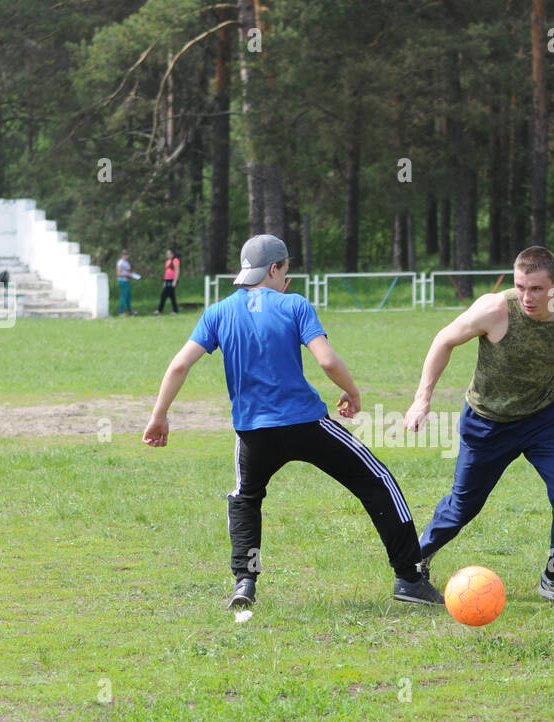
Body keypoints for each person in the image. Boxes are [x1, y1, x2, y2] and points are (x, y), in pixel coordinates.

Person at [143, 234, 444, 610]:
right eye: (285, 270)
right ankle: (410, 578)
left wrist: (159, 416)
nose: (286, 279)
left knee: (246, 498)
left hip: (253, 433)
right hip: (306, 426)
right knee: (376, 480)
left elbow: (179, 364)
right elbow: (328, 361)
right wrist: (353, 392)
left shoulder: (217, 312)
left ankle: (244, 581)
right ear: (274, 269)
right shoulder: (295, 305)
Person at [404, 246, 554, 608]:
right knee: (463, 506)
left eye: (536, 288)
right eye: (520, 286)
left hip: (542, 419)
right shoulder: (494, 309)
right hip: (487, 421)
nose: (527, 297)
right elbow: (444, 340)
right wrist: (422, 399)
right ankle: (414, 559)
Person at [155, 248, 180, 314]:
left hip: (172, 281)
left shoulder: (175, 260)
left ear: (172, 254)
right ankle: (175, 310)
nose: (168, 255)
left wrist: (175, 281)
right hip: (167, 280)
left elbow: (177, 271)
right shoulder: (168, 261)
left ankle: (159, 310)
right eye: (167, 254)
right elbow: (167, 272)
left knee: (163, 295)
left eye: (169, 254)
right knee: (172, 296)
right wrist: (164, 281)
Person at [116, 250, 136, 315]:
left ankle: (130, 310)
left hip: (127, 281)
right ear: (122, 255)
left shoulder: (127, 262)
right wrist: (127, 275)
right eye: (124, 255)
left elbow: (128, 271)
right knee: (123, 296)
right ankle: (121, 311)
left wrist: (131, 275)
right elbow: (119, 273)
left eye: (126, 255)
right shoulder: (120, 263)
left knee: (128, 296)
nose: (125, 256)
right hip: (122, 281)